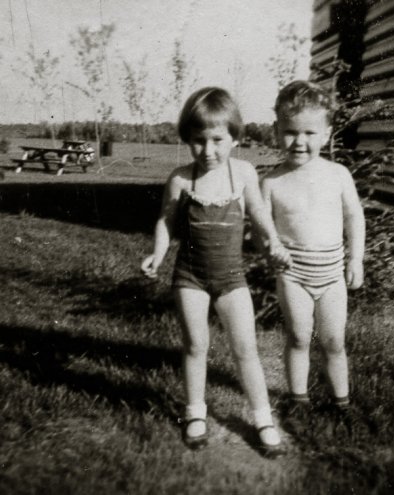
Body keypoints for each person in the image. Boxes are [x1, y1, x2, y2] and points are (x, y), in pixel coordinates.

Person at [141, 87, 291, 457]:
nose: (208, 151)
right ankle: (195, 413)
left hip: (231, 279)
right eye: (198, 141)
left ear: (235, 138)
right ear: (187, 140)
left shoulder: (242, 173)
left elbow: (258, 213)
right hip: (189, 277)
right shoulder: (180, 179)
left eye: (217, 140)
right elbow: (166, 220)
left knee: (246, 349)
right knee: (195, 346)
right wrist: (157, 254)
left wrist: (272, 241)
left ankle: (262, 418)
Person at [261, 80, 365, 414]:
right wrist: (270, 247)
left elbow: (354, 217)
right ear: (277, 131)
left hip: (332, 274)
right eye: (290, 132)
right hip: (294, 274)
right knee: (299, 337)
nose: (299, 141)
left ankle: (341, 401)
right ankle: (298, 400)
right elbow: (260, 231)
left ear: (326, 133)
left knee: (334, 341)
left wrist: (356, 259)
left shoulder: (337, 175)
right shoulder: (272, 181)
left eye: (309, 133)